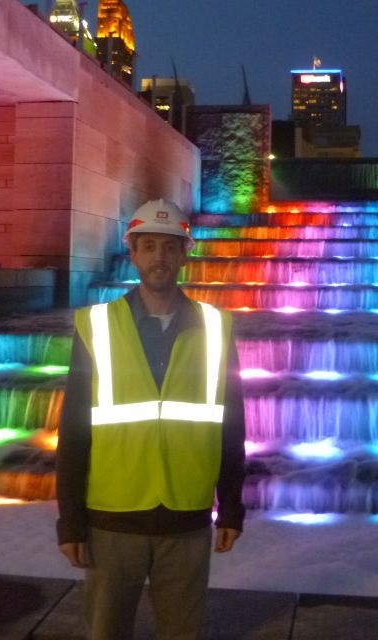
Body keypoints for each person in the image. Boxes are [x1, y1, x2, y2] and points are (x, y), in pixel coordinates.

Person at [55, 198, 246, 640]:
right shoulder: (96, 325)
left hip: (187, 516)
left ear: (184, 253)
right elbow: (74, 431)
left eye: (169, 246)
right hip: (110, 519)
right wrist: (70, 521)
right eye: (149, 246)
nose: (159, 256)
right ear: (133, 253)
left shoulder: (218, 328)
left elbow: (232, 426)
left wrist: (231, 506)